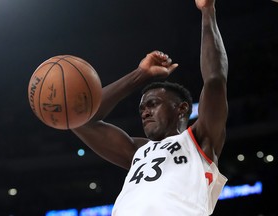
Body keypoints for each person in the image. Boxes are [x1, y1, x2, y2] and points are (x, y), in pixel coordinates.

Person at [72, 0, 228, 215]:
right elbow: (81, 120)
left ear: (182, 109)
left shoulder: (200, 140)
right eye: (142, 108)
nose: (145, 112)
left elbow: (215, 80)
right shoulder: (138, 151)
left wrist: (207, 10)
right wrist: (140, 75)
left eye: (153, 104)